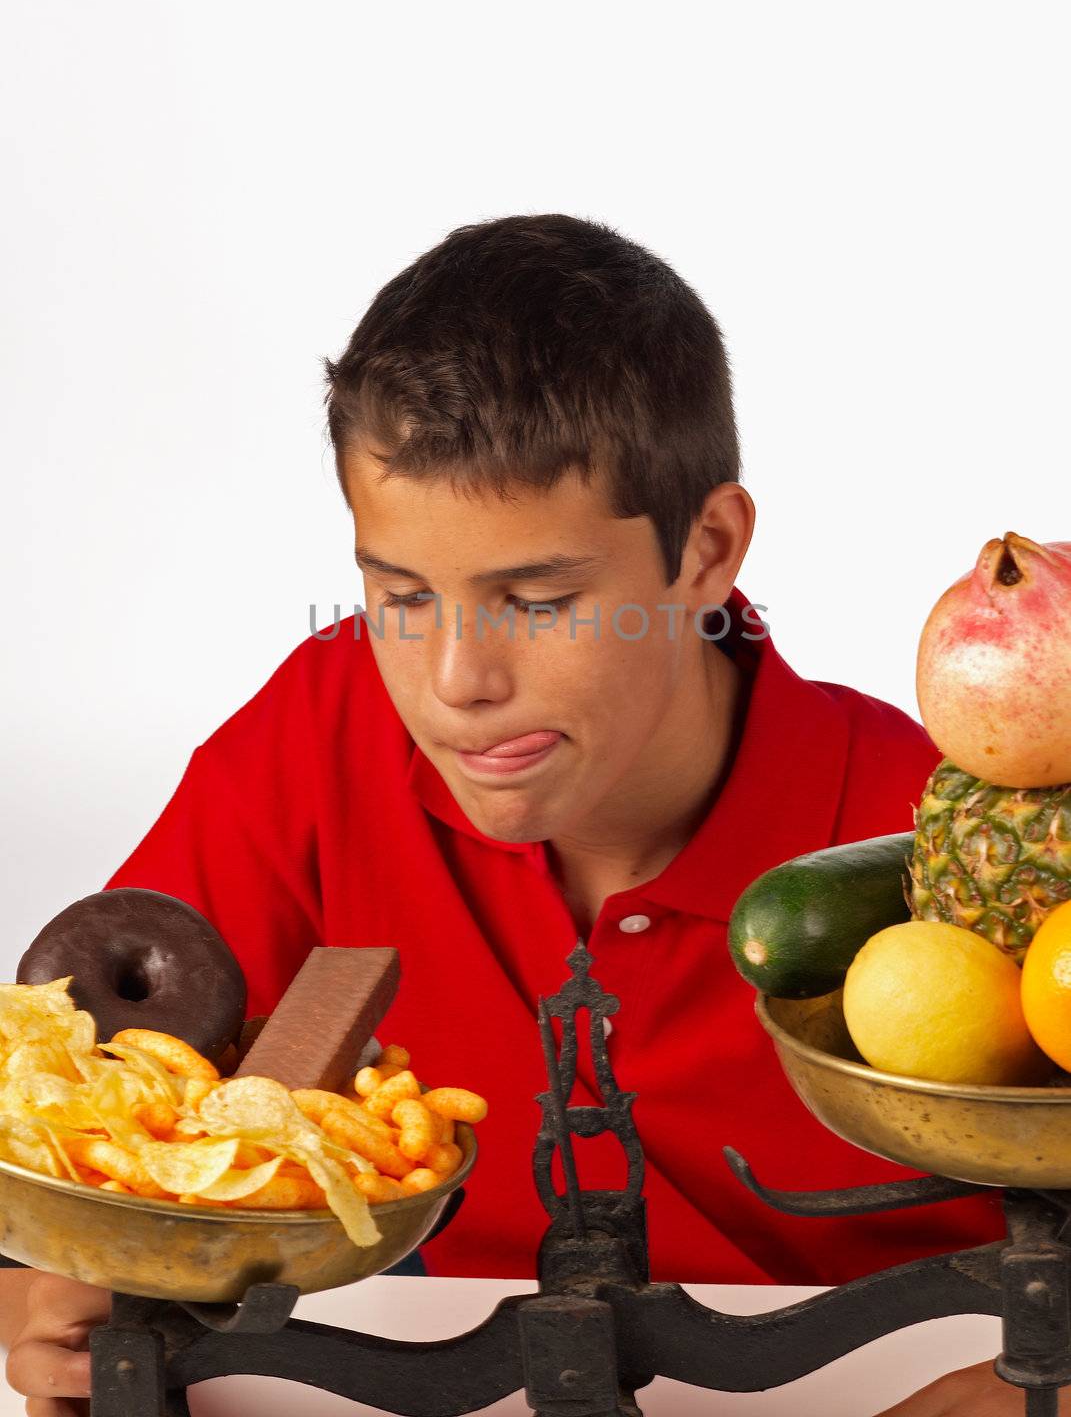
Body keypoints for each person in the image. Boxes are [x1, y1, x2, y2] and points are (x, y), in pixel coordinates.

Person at [1, 215, 1029, 1415]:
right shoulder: (319, 734)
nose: (454, 684)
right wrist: (32, 1291)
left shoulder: (933, 829)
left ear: (706, 549)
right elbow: (83, 1106)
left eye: (536, 599)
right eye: (399, 594)